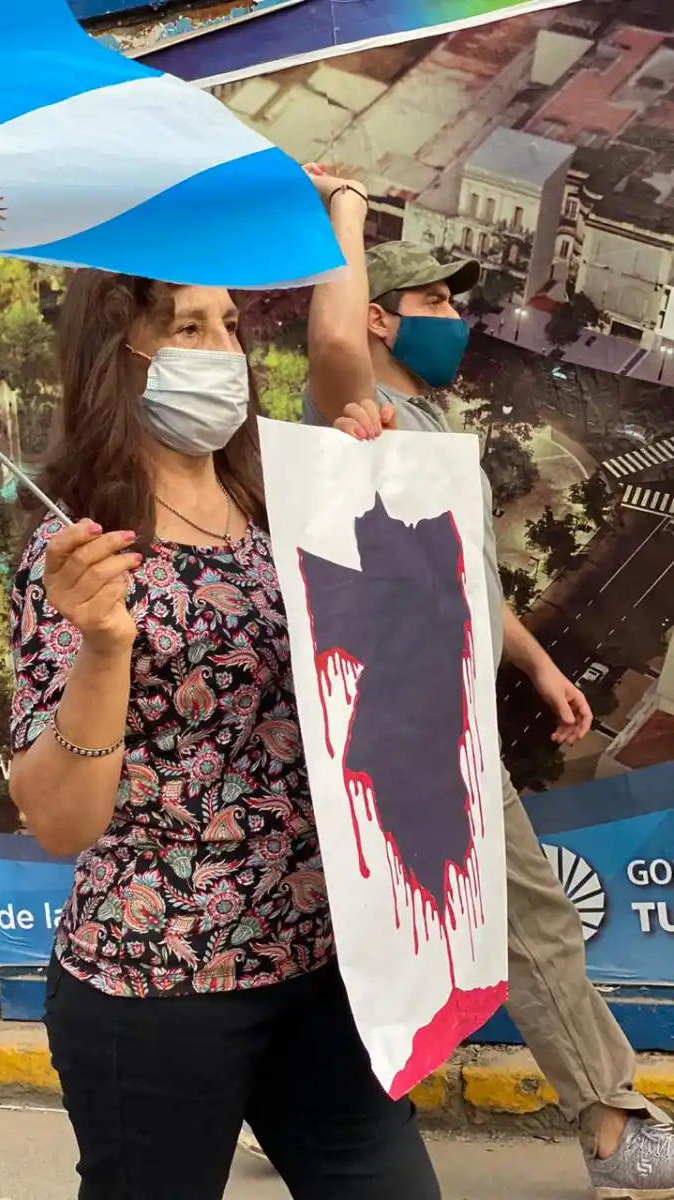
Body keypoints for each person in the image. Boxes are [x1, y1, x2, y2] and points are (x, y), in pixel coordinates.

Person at [7, 270, 442, 1200]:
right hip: (159, 980)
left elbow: (394, 671)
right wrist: (104, 648)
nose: (224, 353)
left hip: (323, 960)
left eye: (230, 326)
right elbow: (59, 821)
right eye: (189, 329)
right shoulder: (83, 552)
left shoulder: (287, 504)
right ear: (118, 358)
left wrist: (382, 493)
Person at [293, 163, 674, 1199]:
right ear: (378, 318)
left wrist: (539, 664)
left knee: (357, 929)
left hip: (418, 710)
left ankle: (312, 1109)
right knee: (528, 914)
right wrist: (346, 213)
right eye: (432, 302)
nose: (455, 321)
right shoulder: (358, 413)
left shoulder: (428, 429)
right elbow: (329, 347)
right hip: (411, 719)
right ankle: (612, 1125)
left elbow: (463, 576)